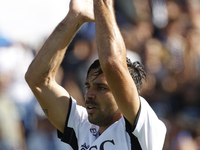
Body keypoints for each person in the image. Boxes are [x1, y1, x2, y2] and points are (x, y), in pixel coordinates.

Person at [25, 0, 167, 149]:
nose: (89, 94)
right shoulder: (82, 125)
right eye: (88, 86)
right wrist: (74, 17)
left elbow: (112, 64)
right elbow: (37, 80)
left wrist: (102, 4)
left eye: (101, 87)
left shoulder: (146, 128)